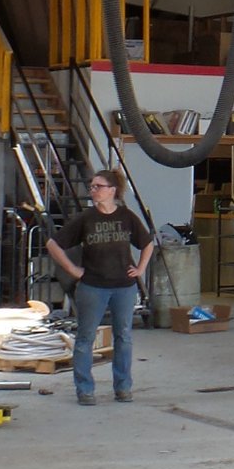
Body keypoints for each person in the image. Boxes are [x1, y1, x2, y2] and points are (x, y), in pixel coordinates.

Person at [46, 169, 153, 406]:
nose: (93, 190)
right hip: (93, 287)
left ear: (112, 190)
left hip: (124, 287)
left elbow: (147, 243)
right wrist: (72, 270)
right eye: (92, 186)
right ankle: (85, 390)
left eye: (98, 186)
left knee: (123, 336)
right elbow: (53, 244)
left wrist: (141, 269)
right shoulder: (86, 219)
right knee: (85, 337)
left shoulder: (126, 217)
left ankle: (123, 387)